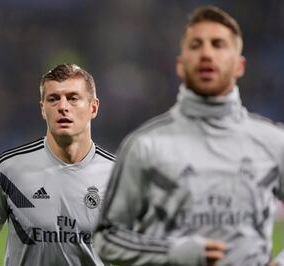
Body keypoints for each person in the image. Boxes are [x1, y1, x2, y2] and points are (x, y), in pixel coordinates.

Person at [94, 5, 284, 266]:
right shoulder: (144, 146)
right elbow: (107, 237)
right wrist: (172, 252)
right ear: (180, 65)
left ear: (239, 66)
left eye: (218, 45)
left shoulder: (273, 143)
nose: (206, 54)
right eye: (196, 45)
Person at [0, 63, 115, 266]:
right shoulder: (9, 170)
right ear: (43, 109)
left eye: (73, 98)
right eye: (53, 99)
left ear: (93, 107)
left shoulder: (118, 176)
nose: (63, 107)